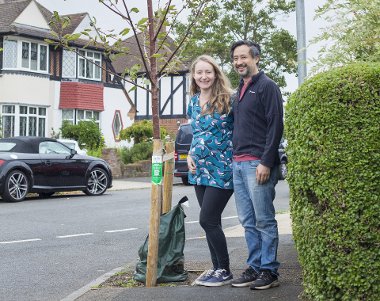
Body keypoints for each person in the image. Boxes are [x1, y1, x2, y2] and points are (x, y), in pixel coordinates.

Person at [229, 40, 284, 290]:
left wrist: (266, 161)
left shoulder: (267, 86)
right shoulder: (239, 90)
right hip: (238, 165)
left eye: (244, 57)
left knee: (264, 220)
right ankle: (254, 266)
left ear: (256, 58)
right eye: (235, 58)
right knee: (247, 221)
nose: (239, 62)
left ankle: (269, 270)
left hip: (257, 164)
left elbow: (275, 125)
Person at [186, 55, 234, 287]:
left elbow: (238, 132)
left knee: (207, 220)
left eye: (208, 72)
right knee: (212, 221)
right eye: (199, 73)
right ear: (194, 76)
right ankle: (216, 268)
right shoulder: (193, 102)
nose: (203, 76)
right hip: (199, 170)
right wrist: (188, 155)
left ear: (215, 74)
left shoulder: (227, 100)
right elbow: (196, 133)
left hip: (222, 168)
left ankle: (224, 269)